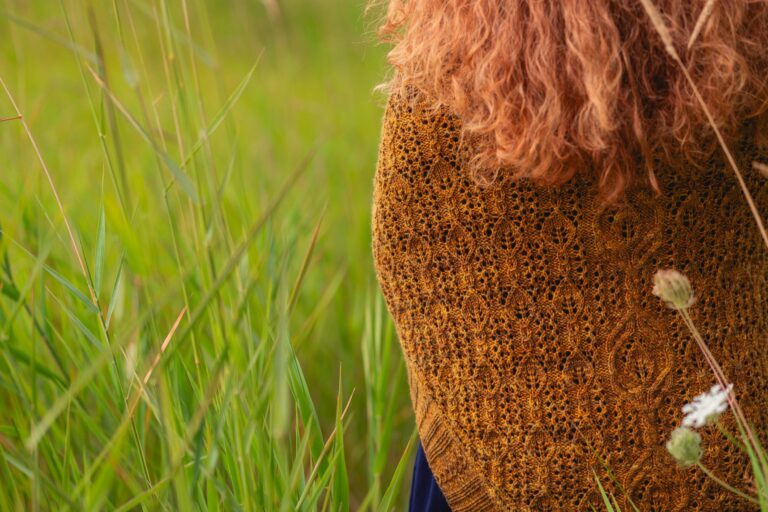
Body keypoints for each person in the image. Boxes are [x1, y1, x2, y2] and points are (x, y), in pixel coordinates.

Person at [370, 1, 768, 510]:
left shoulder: (449, 71)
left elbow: (409, 251)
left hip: (492, 435)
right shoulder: (745, 55)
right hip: (731, 450)